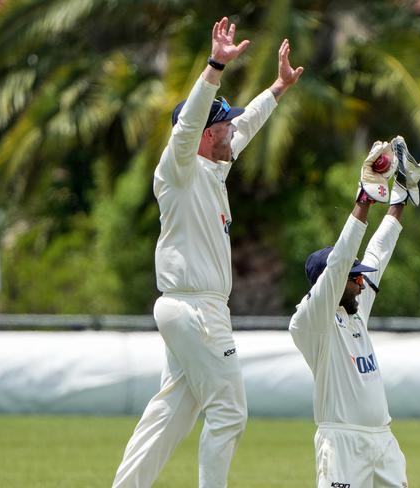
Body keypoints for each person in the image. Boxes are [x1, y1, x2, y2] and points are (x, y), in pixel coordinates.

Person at [112, 17, 303, 488]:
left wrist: (278, 87)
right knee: (229, 411)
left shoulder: (213, 170)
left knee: (172, 411)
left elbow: (247, 124)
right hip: (195, 309)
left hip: (195, 309)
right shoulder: (177, 170)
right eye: (221, 126)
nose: (230, 131)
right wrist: (215, 64)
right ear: (201, 134)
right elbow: (192, 120)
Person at [289, 137, 420, 488]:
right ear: (330, 283)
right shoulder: (311, 321)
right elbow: (338, 264)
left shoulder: (355, 309)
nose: (362, 283)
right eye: (355, 279)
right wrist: (364, 200)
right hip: (341, 443)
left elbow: (378, 255)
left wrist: (399, 200)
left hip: (382, 439)